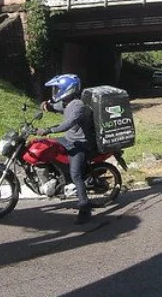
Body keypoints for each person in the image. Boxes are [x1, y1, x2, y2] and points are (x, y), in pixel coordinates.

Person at [36, 74, 96, 225]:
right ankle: (59, 175)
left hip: (80, 144)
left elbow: (69, 123)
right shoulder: (68, 103)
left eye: (58, 89)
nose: (56, 92)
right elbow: (58, 108)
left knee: (76, 175)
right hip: (69, 140)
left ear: (67, 89)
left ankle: (84, 208)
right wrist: (48, 106)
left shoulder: (78, 106)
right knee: (46, 146)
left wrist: (49, 129)